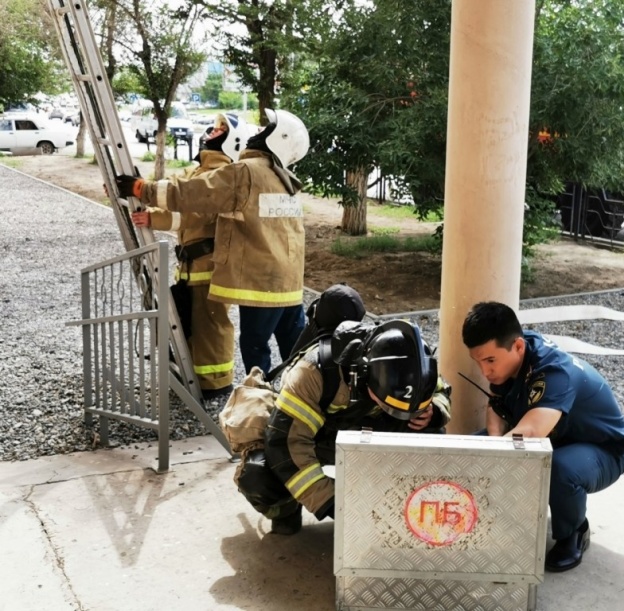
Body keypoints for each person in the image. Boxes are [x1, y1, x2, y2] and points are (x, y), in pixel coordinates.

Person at [116, 109, 311, 375]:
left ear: (278, 139)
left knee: (255, 347)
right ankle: (307, 399)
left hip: (262, 285)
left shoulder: (246, 172)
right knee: (298, 351)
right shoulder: (286, 180)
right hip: (290, 285)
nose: (257, 134)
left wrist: (143, 189)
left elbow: (194, 195)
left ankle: (257, 403)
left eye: (266, 131)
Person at [461, 301, 624, 572]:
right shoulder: (511, 354)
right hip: (557, 437)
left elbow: (530, 433)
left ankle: (573, 531)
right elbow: (496, 401)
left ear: (517, 347)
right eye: (478, 361)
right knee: (473, 445)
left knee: (558, 468)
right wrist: (491, 440)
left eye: (489, 360)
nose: (485, 371)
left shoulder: (554, 372)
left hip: (601, 451)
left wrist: (491, 456)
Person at [241, 318, 451, 535]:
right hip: (320, 440)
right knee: (257, 474)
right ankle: (286, 509)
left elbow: (441, 391)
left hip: (372, 434)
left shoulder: (416, 363)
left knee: (433, 434)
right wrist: (332, 504)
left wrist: (435, 410)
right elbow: (287, 444)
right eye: (388, 406)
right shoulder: (312, 373)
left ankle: (407, 505)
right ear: (363, 375)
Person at [130, 113, 248, 400]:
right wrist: (140, 193)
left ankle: (215, 383)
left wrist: (153, 218)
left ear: (231, 141)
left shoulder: (221, 175)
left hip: (210, 268)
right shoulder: (200, 171)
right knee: (193, 323)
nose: (212, 131)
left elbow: (195, 213)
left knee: (210, 325)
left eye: (221, 129)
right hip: (191, 266)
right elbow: (174, 194)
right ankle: (192, 374)